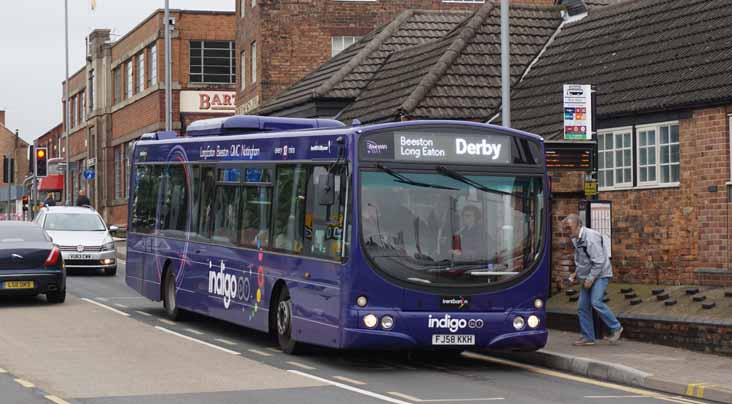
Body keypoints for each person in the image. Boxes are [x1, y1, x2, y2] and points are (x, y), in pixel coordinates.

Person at [562, 213, 623, 346]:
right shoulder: (575, 238)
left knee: (596, 301)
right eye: (566, 228)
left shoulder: (591, 238)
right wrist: (575, 273)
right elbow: (583, 260)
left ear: (578, 226)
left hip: (600, 274)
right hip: (588, 275)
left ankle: (616, 327)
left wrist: (590, 279)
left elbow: (599, 262)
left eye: (569, 228)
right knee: (582, 307)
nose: (567, 231)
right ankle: (588, 337)